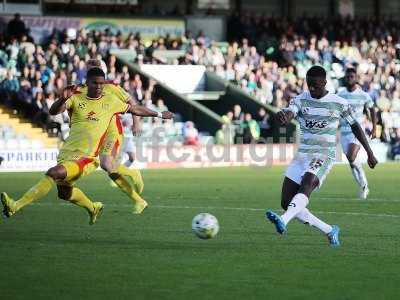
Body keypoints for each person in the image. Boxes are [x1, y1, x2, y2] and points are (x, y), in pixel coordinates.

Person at [1, 67, 173, 223]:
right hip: (67, 153)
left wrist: (159, 114)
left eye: (101, 83)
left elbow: (135, 108)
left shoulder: (111, 100)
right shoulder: (76, 97)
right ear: (87, 83)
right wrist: (62, 99)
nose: (98, 86)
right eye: (94, 83)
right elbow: (53, 111)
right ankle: (93, 208)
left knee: (53, 173)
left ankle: (15, 205)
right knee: (64, 193)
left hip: (87, 158)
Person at [266, 66, 378, 247]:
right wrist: (284, 116)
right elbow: (290, 111)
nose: (311, 89)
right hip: (302, 155)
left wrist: (369, 152)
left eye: (315, 86)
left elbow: (355, 126)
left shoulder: (339, 102)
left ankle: (283, 221)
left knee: (308, 184)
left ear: (325, 83)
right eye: (309, 85)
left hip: (324, 154)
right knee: (286, 201)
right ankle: (329, 230)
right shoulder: (301, 99)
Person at [65, 59, 147, 213]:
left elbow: (132, 103)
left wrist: (136, 123)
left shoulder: (111, 87)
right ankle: (139, 200)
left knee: (106, 164)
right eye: (90, 72)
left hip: (111, 131)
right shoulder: (80, 91)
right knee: (109, 169)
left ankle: (133, 175)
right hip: (93, 135)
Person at [337, 68, 377, 199]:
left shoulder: (363, 95)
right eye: (347, 77)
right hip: (343, 132)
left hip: (357, 132)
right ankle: (363, 185)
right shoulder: (340, 94)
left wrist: (374, 128)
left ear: (356, 78)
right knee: (351, 161)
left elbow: (372, 109)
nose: (349, 78)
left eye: (351, 76)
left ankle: (364, 185)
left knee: (351, 155)